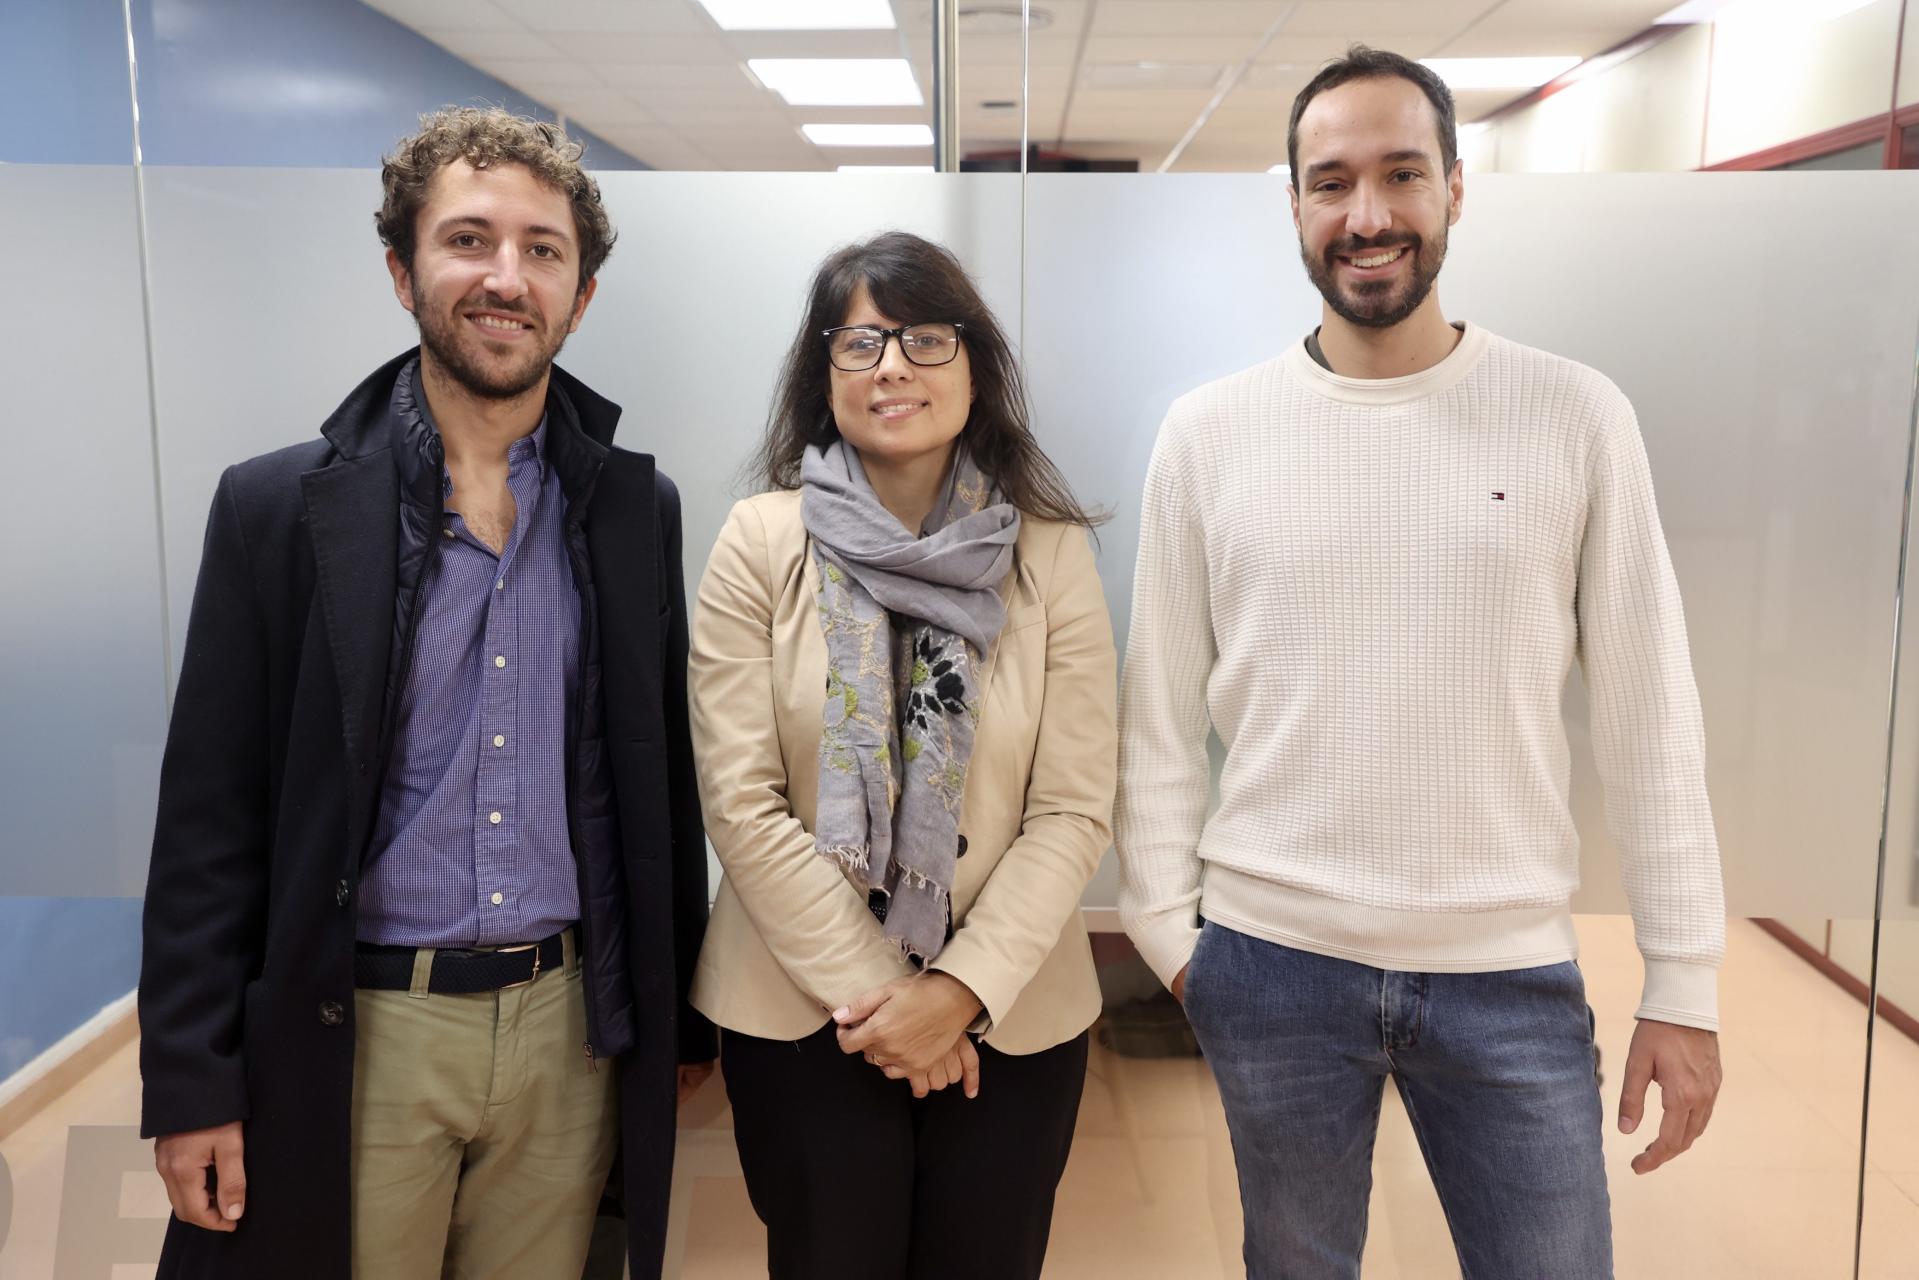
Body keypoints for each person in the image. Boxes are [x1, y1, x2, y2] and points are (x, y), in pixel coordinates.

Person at [1115, 46, 1727, 1279]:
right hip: (1269, 962)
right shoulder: (1208, 432)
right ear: (1290, 204)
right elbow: (1158, 714)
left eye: (1401, 174)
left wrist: (1684, 977)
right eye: (1329, 181)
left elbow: (1648, 713)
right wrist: (1165, 929)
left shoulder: (1572, 414)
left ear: (1455, 186)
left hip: (1504, 974)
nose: (1367, 215)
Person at [138, 106, 714, 1280]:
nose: (507, 277)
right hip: (362, 1030)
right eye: (469, 240)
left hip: (567, 1035)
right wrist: (193, 1078)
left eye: (542, 250)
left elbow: (661, 785)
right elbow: (211, 817)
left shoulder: (628, 509)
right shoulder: (279, 510)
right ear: (402, 271)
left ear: (580, 296)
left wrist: (677, 1012)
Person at [688, 230, 1116, 1279]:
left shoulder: (1048, 553)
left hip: (1008, 1016)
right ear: (820, 373)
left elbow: (1072, 806)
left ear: (975, 364)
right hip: (802, 1011)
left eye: (924, 338)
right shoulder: (757, 540)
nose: (890, 366)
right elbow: (739, 801)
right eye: (859, 341)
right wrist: (891, 999)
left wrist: (957, 992)